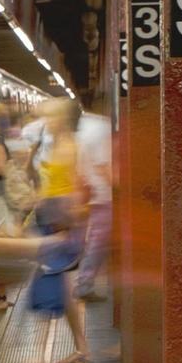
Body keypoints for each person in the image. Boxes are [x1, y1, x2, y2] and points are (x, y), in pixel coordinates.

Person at [27, 98, 92, 363]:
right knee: (62, 291)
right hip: (51, 218)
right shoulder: (54, 146)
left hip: (61, 223)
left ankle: (40, 354)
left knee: (48, 283)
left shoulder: (69, 149)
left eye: (51, 118)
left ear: (63, 120)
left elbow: (75, 190)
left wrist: (67, 225)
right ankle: (81, 347)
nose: (47, 123)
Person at [73, 104, 113, 301]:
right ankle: (84, 284)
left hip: (94, 192)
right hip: (105, 194)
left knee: (96, 241)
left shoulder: (85, 125)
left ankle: (85, 282)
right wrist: (122, 190)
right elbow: (103, 165)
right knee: (98, 242)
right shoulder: (101, 127)